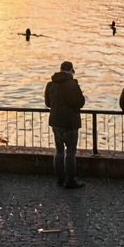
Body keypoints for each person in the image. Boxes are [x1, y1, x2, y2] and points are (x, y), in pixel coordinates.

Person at [45, 61, 86, 189]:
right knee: (71, 152)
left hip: (56, 122)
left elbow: (48, 103)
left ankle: (59, 178)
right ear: (71, 70)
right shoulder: (72, 85)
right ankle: (71, 180)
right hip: (70, 123)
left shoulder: (51, 84)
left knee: (59, 151)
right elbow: (80, 102)